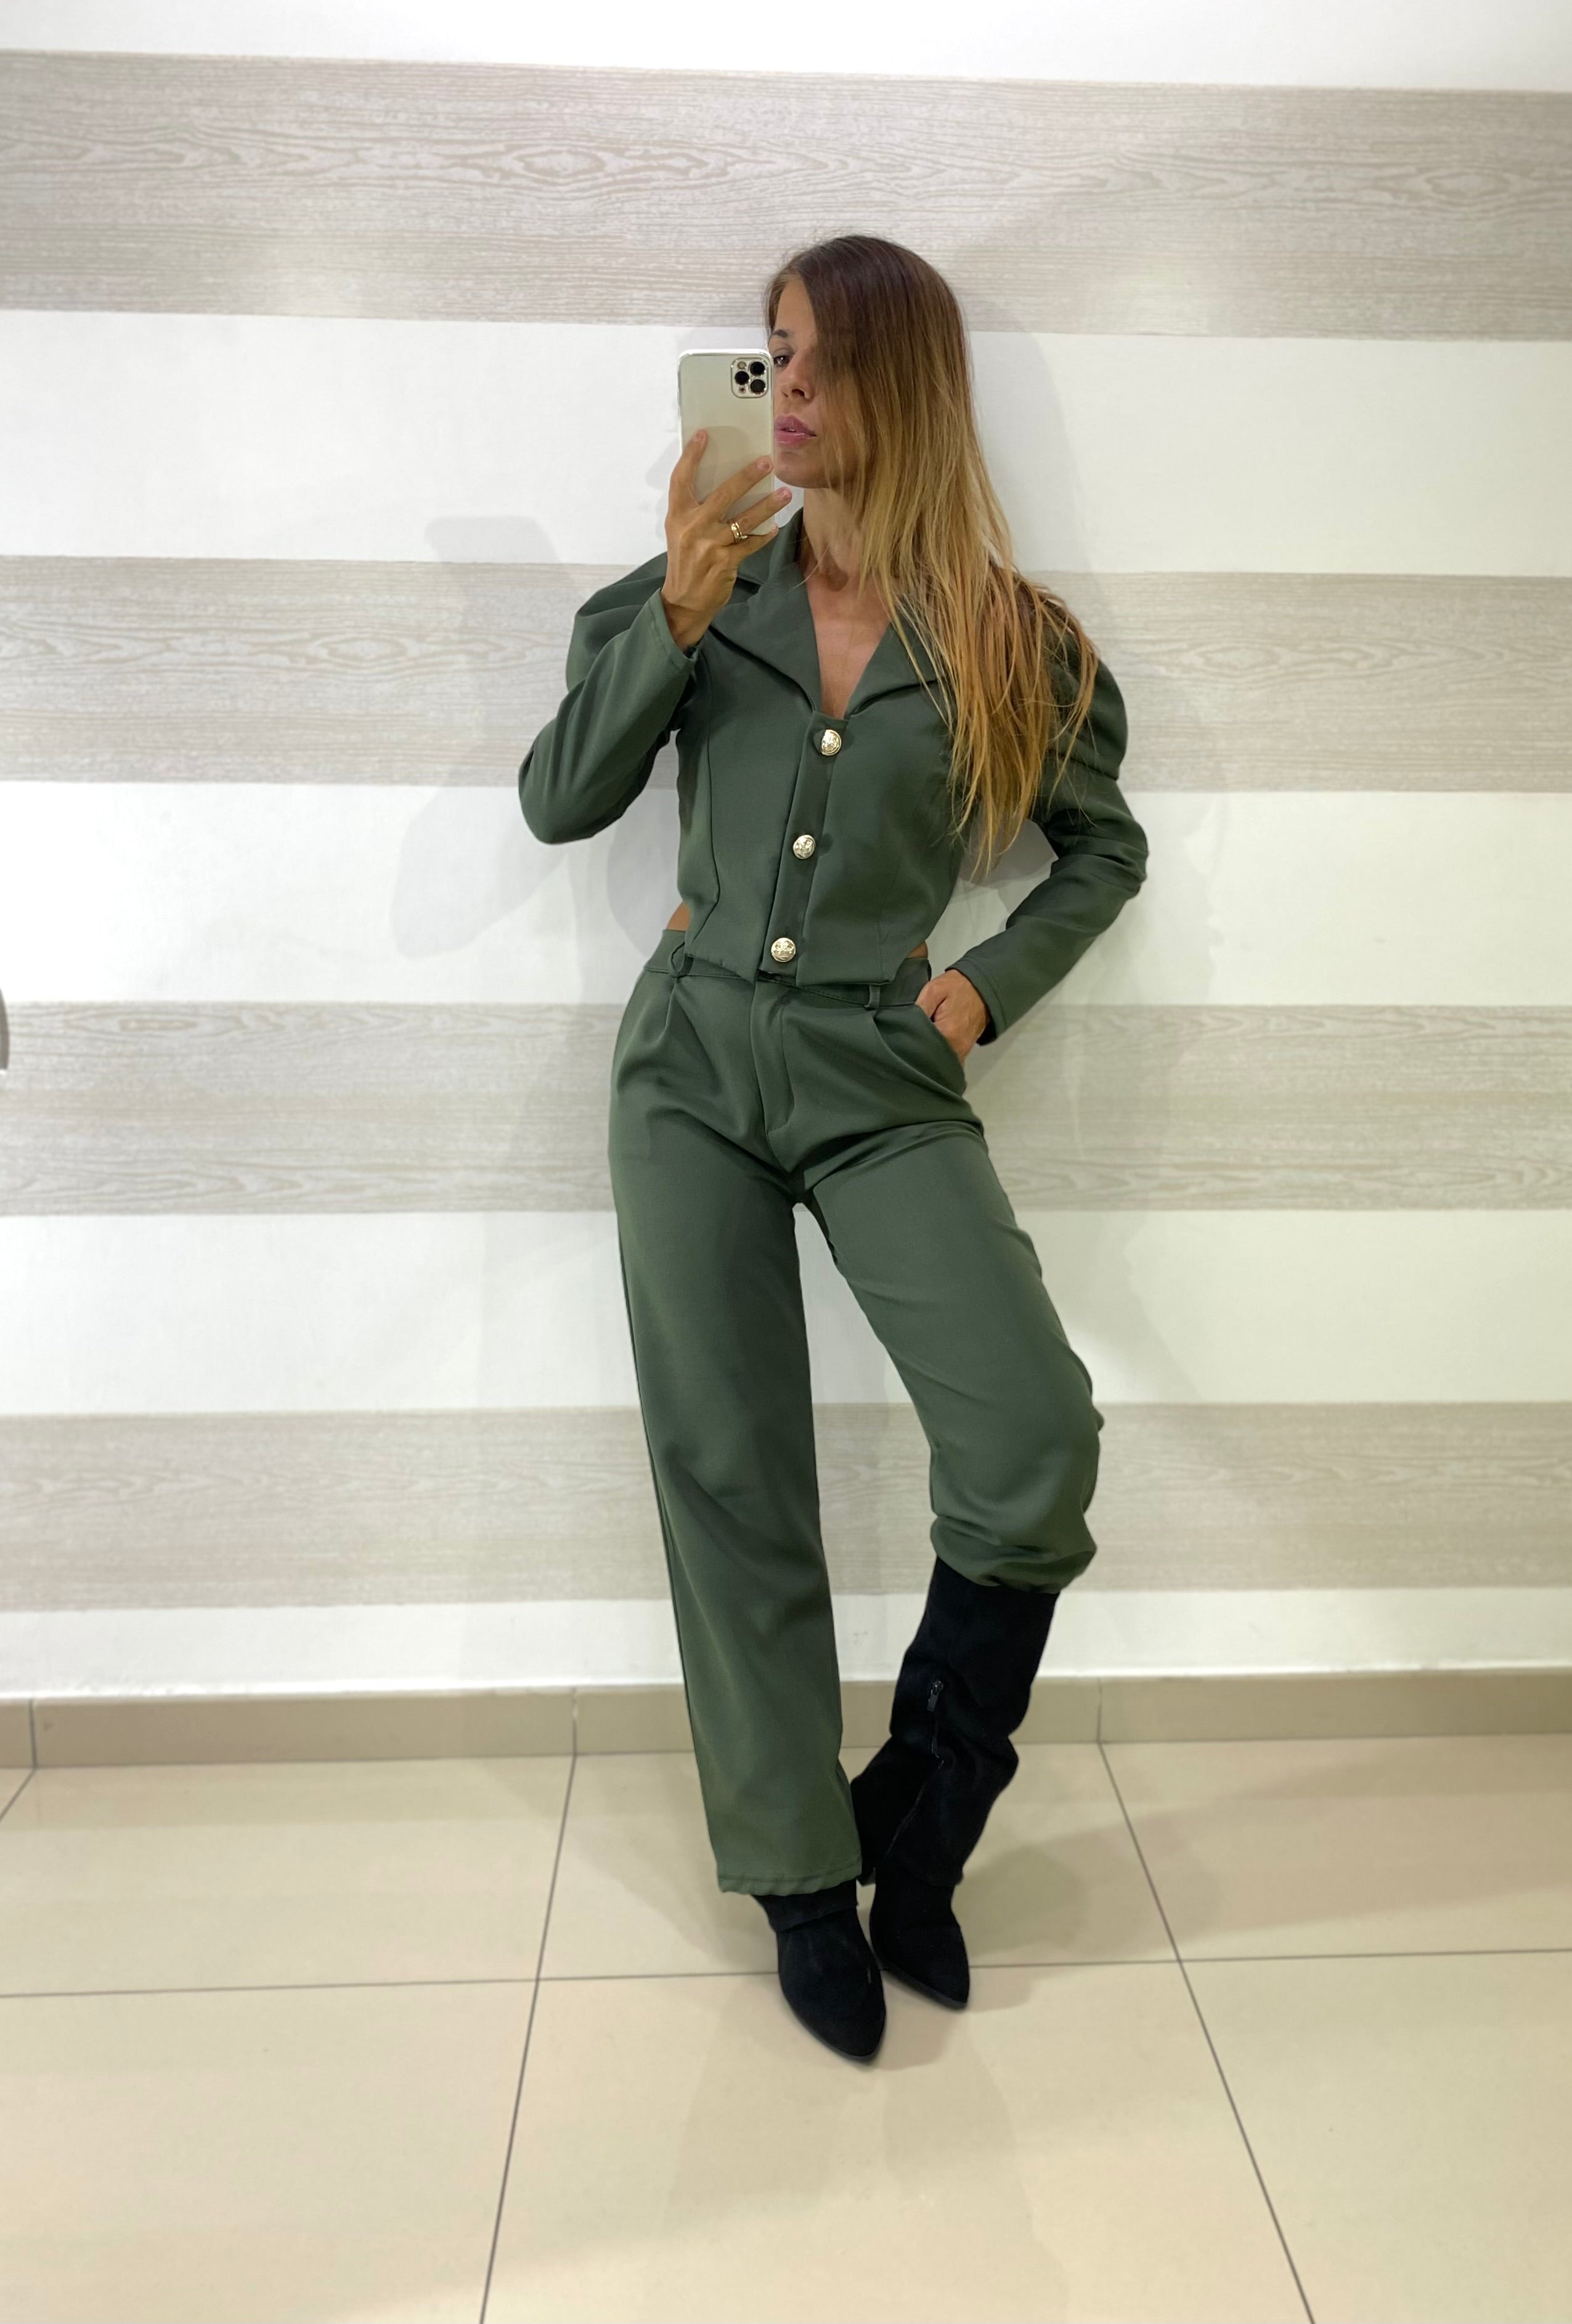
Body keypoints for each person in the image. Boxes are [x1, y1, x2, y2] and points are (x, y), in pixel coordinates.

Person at [518, 235, 1147, 2063]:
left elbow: (1103, 849)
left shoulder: (1015, 640)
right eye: (768, 354)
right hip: (689, 1068)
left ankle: (915, 1838)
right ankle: (802, 1880)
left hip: (881, 1067)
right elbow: (559, 800)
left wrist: (983, 989)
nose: (782, 390)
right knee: (731, 1465)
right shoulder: (688, 588)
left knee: (1030, 1441)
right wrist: (676, 621)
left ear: (906, 387)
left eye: (818, 360)